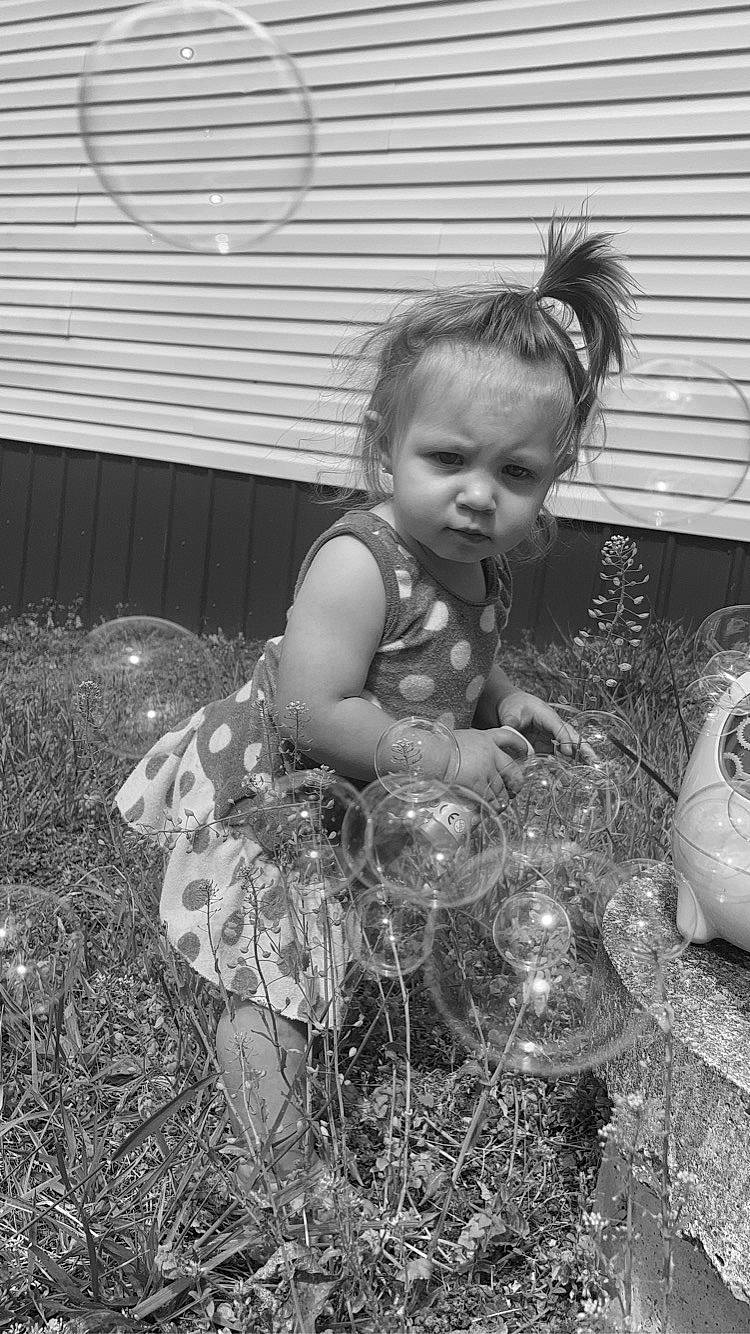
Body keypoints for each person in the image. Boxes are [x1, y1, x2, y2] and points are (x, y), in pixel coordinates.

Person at [114, 214, 636, 1207]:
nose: (481, 495)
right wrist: (437, 758)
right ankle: (286, 1167)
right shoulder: (363, 561)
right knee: (276, 988)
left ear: (551, 480)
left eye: (515, 474)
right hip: (284, 805)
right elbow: (313, 707)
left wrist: (507, 695)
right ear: (385, 446)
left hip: (353, 804)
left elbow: (458, 662)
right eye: (451, 459)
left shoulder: (474, 563)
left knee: (324, 958)